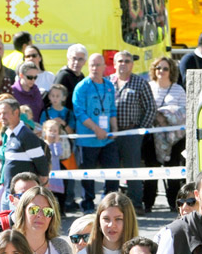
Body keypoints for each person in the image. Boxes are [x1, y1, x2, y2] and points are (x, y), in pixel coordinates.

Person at [0, 98, 48, 201]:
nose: (1, 117)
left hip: (21, 196)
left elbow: (42, 163)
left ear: (16, 112)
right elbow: (6, 153)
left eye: (5, 113)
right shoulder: (8, 135)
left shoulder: (27, 136)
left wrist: (40, 179)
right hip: (8, 193)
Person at [72, 54, 119, 214]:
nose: (95, 68)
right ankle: (88, 205)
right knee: (88, 174)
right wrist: (96, 129)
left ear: (104, 66)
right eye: (92, 65)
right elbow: (80, 113)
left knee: (112, 171)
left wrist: (114, 129)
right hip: (87, 139)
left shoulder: (109, 85)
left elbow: (112, 109)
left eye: (98, 65)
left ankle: (109, 202)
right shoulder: (82, 87)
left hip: (107, 139)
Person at [111, 51, 156, 212]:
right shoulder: (108, 82)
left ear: (132, 64)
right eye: (120, 61)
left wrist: (141, 130)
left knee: (133, 170)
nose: (123, 64)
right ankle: (111, 205)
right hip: (112, 134)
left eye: (127, 61)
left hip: (131, 133)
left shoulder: (140, 83)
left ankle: (136, 204)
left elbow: (151, 107)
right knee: (112, 170)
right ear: (115, 64)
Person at [143, 57, 187, 213]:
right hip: (151, 137)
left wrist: (166, 116)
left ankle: (173, 204)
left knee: (172, 172)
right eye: (158, 68)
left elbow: (184, 112)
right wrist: (157, 117)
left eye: (165, 68)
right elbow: (145, 108)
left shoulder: (178, 90)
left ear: (171, 71)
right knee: (151, 170)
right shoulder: (148, 87)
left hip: (174, 139)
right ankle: (147, 203)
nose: (161, 71)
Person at [11, 62, 43, 126]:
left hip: (37, 127)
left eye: (35, 77)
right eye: (30, 77)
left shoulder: (36, 90)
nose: (33, 80)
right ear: (21, 75)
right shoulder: (12, 91)